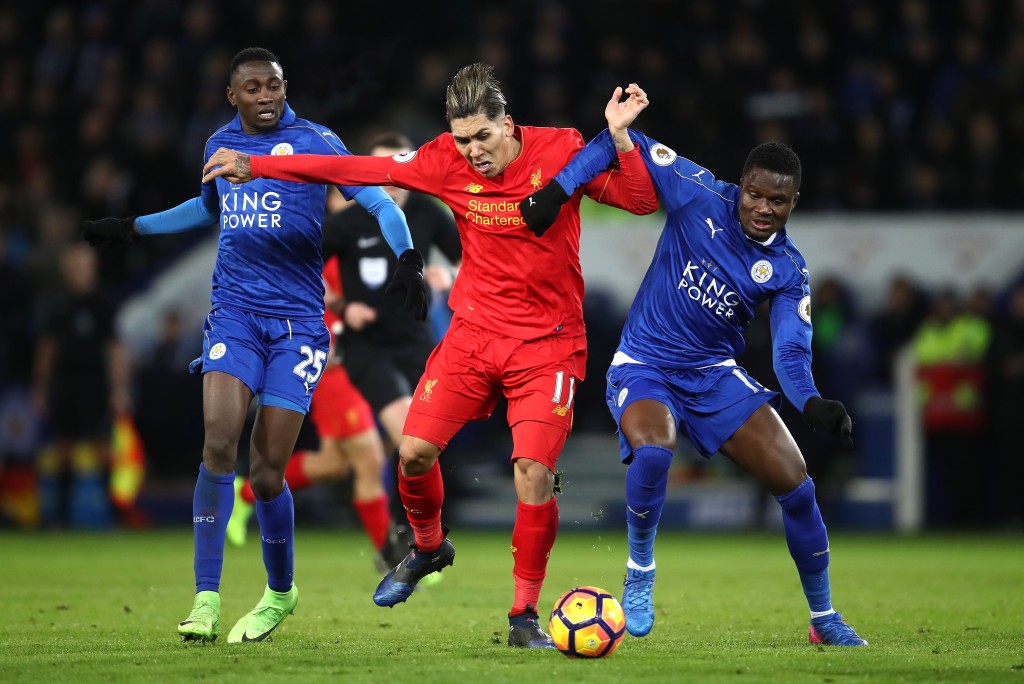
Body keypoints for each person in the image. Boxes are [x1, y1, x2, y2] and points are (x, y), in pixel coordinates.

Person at [202, 63, 658, 648]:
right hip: (472, 336)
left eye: (483, 138)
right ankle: (427, 546)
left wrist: (619, 140)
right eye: (463, 139)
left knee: (533, 473)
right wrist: (258, 164)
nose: (473, 152)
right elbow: (351, 168)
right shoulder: (443, 159)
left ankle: (522, 616)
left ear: (508, 124)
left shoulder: (562, 149)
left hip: (548, 346)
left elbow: (642, 200)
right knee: (413, 453)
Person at [82, 47, 428, 644]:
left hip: (296, 324)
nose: (265, 96)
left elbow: (375, 195)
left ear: (284, 86)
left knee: (268, 472)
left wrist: (408, 256)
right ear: (232, 96)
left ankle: (279, 591)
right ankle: (206, 599)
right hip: (234, 315)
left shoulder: (317, 140)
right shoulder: (219, 143)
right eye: (252, 87)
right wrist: (135, 226)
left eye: (273, 85)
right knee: (219, 440)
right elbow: (206, 207)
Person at [518, 87, 868, 646]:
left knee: (798, 486)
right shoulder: (696, 190)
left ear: (793, 203)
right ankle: (640, 572)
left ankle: (824, 620)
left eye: (776, 202)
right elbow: (618, 144)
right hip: (646, 364)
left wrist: (811, 402)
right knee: (655, 447)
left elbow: (789, 352)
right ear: (742, 186)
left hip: (711, 373)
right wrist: (556, 192)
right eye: (755, 195)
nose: (761, 208)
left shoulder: (788, 270)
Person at [227, 256, 412, 576]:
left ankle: (243, 493)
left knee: (333, 464)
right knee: (369, 461)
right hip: (334, 372)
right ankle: (393, 558)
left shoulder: (368, 256)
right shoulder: (336, 262)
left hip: (358, 370)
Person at [32, 241, 131, 528]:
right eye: (73, 267)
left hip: (95, 386)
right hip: (65, 386)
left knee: (103, 449)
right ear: (66, 270)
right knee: (63, 450)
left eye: (83, 266)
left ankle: (115, 517)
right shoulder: (56, 304)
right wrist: (41, 387)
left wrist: (119, 389)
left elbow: (115, 349)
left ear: (92, 268)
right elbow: (47, 348)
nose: (78, 272)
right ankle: (61, 520)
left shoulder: (103, 303)